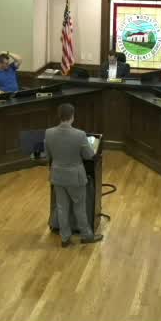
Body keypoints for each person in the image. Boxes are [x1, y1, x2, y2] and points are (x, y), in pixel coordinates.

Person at [45, 103, 103, 247]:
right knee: (79, 207)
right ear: (72, 116)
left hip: (58, 176)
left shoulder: (49, 133)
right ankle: (86, 236)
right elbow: (89, 155)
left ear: (59, 116)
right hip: (75, 178)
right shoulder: (80, 134)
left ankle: (65, 238)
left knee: (62, 208)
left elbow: (48, 155)